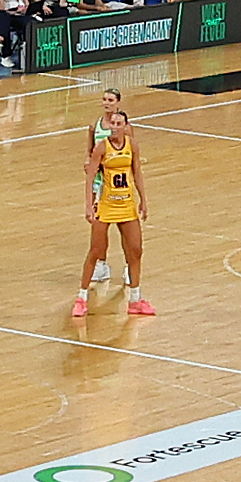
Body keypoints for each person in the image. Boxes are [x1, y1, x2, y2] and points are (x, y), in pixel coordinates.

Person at [74, 95, 154, 322]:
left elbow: (137, 172)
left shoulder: (132, 145)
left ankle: (135, 299)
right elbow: (90, 176)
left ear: (125, 126)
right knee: (96, 250)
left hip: (127, 203)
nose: (116, 127)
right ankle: (81, 298)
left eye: (120, 124)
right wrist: (89, 205)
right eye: (113, 124)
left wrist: (143, 200)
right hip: (107, 203)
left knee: (136, 250)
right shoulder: (102, 148)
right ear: (109, 126)